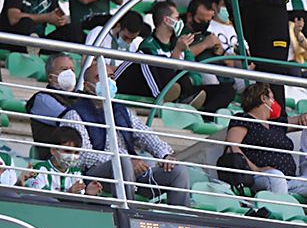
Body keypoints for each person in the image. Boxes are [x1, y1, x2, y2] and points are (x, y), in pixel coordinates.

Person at [61, 63, 191, 207]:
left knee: (178, 171)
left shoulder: (121, 110)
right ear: (86, 85)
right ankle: (129, 214)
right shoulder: (74, 114)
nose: (107, 81)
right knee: (122, 163)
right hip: (95, 176)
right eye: (100, 77)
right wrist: (126, 161)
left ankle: (181, 223)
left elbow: (146, 135)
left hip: (130, 173)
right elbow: (83, 156)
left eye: (111, 77)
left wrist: (164, 156)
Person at [223, 83, 307, 213]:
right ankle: (283, 218)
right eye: (272, 98)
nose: (275, 103)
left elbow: (298, 121)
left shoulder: (275, 124)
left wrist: (305, 116)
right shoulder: (243, 119)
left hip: (288, 180)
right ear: (263, 98)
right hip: (260, 176)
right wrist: (257, 169)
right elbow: (232, 146)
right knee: (276, 176)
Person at [134, 0, 235, 113]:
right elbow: (163, 76)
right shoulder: (148, 46)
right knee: (179, 78)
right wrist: (177, 51)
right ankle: (185, 102)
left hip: (186, 87)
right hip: (162, 90)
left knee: (227, 91)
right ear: (167, 20)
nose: (180, 21)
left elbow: (195, 74)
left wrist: (191, 79)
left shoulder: (181, 41)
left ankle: (205, 116)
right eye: (177, 18)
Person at [26, 53, 78, 160]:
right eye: (64, 69)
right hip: (53, 158)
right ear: (50, 77)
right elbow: (73, 119)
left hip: (76, 156)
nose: (69, 73)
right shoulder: (42, 99)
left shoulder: (78, 97)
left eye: (72, 70)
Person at [24, 126, 102, 198]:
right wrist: (68, 194)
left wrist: (88, 193)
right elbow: (40, 199)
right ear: (53, 150)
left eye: (76, 153)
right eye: (67, 151)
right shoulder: (40, 169)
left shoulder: (76, 172)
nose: (72, 156)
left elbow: (79, 203)